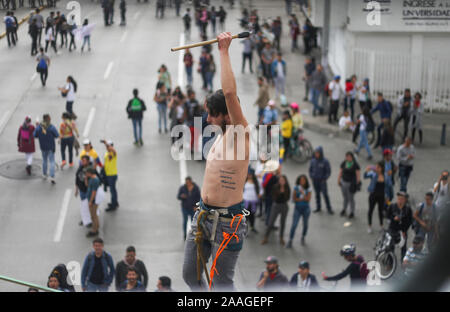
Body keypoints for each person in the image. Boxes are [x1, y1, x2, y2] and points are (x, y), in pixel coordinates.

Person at [182, 32, 250, 292]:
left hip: (227, 223)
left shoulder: (240, 134)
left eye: (213, 114)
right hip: (203, 216)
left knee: (221, 284)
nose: (208, 119)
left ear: (227, 115)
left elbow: (230, 93)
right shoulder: (222, 137)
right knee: (190, 275)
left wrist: (224, 51)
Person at [261, 175, 291, 246]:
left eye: (283, 180)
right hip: (276, 205)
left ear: (285, 181)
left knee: (282, 222)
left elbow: (287, 198)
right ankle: (266, 237)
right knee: (270, 222)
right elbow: (274, 197)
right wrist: (281, 193)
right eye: (280, 180)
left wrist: (283, 192)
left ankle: (281, 237)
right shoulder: (275, 187)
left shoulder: (287, 188)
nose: (282, 182)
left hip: (284, 206)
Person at [386, 191, 413, 260]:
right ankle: (390, 262)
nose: (400, 201)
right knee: (390, 246)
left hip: (402, 230)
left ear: (405, 200)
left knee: (403, 247)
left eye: (402, 199)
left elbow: (409, 221)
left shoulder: (407, 209)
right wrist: (393, 219)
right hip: (393, 229)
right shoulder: (392, 206)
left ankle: (403, 262)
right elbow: (387, 216)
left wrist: (404, 231)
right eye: (399, 199)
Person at [287, 175, 312, 248]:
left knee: (305, 224)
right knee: (294, 224)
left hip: (306, 209)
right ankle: (290, 239)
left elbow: (308, 199)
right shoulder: (296, 188)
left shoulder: (308, 189)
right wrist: (302, 199)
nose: (302, 182)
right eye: (301, 180)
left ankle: (303, 236)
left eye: (303, 180)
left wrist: (303, 194)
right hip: (297, 208)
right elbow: (294, 199)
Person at [34, 114, 59, 184]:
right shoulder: (51, 127)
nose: (50, 119)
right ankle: (52, 176)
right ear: (47, 119)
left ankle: (44, 174)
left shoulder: (39, 127)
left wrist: (36, 127)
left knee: (44, 160)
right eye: (49, 118)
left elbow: (34, 135)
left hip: (43, 147)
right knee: (52, 161)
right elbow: (57, 135)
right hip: (51, 147)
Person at [309, 146, 333, 214]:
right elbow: (310, 170)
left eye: (318, 153)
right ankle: (318, 207)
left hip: (322, 181)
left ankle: (329, 208)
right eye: (315, 153)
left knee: (325, 194)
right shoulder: (313, 161)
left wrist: (325, 178)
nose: (316, 154)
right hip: (315, 180)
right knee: (317, 194)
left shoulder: (325, 161)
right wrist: (311, 176)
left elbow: (328, 171)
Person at [364, 162, 386, 234]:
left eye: (378, 167)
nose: (377, 168)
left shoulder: (385, 175)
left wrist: (388, 196)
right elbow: (365, 176)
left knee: (380, 211)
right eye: (376, 167)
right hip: (373, 195)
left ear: (381, 168)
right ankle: (369, 226)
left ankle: (381, 226)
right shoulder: (373, 174)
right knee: (370, 210)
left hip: (381, 196)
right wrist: (367, 170)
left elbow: (389, 186)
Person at [338, 152, 361, 219]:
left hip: (351, 184)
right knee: (345, 197)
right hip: (344, 182)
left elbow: (358, 175)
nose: (348, 158)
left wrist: (357, 183)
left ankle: (352, 212)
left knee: (351, 198)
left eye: (349, 157)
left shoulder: (355, 164)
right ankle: (344, 209)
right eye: (347, 156)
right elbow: (341, 171)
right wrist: (339, 180)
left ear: (352, 157)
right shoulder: (344, 163)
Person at [86, 167, 105, 237]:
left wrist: (91, 201)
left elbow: (94, 192)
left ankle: (95, 229)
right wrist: (86, 179)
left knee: (93, 215)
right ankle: (96, 227)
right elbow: (87, 186)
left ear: (89, 173)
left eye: (87, 173)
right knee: (93, 215)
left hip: (93, 201)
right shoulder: (92, 179)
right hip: (92, 199)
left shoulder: (94, 180)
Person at [75, 155, 94, 228]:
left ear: (88, 161)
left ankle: (90, 220)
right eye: (81, 161)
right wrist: (76, 190)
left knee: (89, 206)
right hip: (82, 190)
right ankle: (85, 219)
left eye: (84, 161)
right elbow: (77, 178)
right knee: (84, 206)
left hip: (88, 191)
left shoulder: (91, 169)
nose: (82, 162)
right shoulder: (80, 168)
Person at [101, 140, 119, 212]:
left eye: (109, 146)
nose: (107, 147)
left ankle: (113, 205)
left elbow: (114, 151)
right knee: (113, 190)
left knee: (112, 190)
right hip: (108, 174)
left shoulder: (113, 153)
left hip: (112, 175)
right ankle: (115, 202)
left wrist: (106, 143)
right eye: (107, 146)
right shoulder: (107, 153)